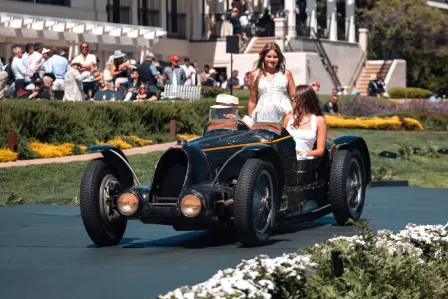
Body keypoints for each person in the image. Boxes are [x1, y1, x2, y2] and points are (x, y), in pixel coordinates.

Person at [248, 42, 296, 123]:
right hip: (262, 116)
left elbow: (295, 98)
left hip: (284, 114)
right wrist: (249, 121)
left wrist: (295, 115)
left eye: (275, 57)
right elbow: (252, 101)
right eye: (268, 56)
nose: (272, 60)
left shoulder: (286, 73)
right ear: (263, 57)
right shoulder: (255, 74)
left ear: (279, 58)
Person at [283, 85, 328, 160]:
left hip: (304, 162)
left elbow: (320, 151)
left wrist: (302, 153)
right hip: (285, 159)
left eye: (296, 97)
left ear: (305, 99)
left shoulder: (319, 120)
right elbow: (281, 141)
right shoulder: (289, 117)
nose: (292, 98)